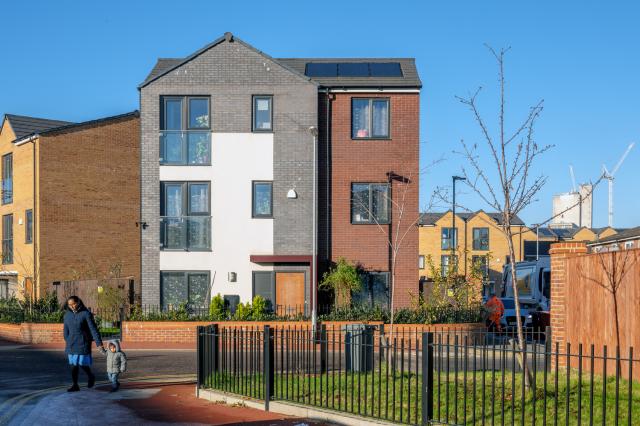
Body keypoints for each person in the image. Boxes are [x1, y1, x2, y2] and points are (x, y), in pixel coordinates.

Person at [63, 296, 104, 392]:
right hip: (71, 343)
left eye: (74, 303)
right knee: (73, 365)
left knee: (81, 363)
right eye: (70, 304)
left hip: (82, 342)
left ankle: (90, 376)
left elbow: (93, 329)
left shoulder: (86, 314)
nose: (72, 306)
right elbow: (65, 330)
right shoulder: (67, 315)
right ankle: (75, 385)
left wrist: (99, 344)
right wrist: (67, 339)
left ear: (78, 302)